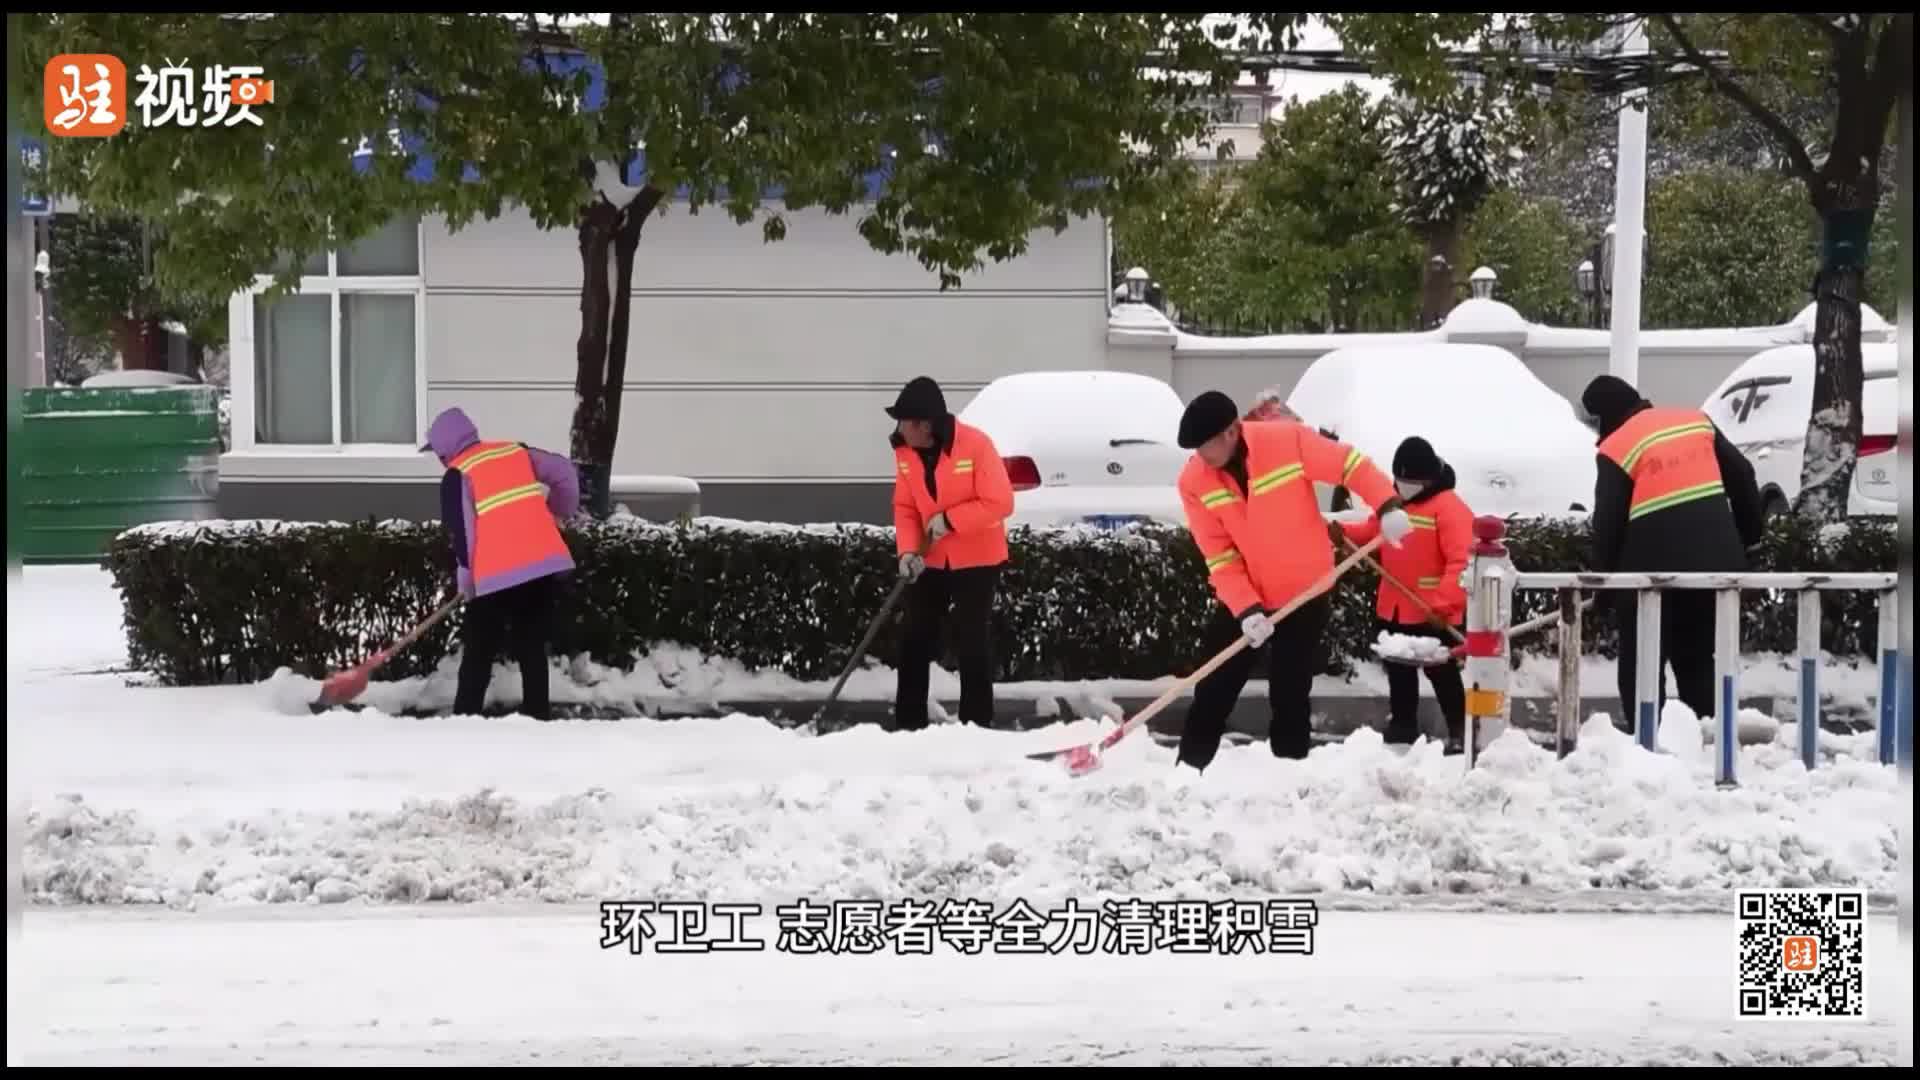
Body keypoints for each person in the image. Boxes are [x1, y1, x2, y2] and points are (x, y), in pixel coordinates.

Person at [1174, 390, 1414, 771]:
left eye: (1206, 447)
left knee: (1290, 690)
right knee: (1215, 685)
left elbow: (1349, 465)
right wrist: (1246, 609)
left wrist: (1387, 504)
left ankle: (1288, 774)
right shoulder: (1194, 481)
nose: (1201, 458)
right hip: (1249, 595)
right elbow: (1219, 556)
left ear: (1231, 432)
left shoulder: (1286, 441)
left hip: (1305, 590)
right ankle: (1189, 771)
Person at [1581, 374, 1764, 729]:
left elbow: (1608, 525)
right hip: (1714, 571)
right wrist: (1749, 543)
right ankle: (1707, 737)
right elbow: (1743, 475)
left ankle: (1646, 739)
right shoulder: (1696, 421)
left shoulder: (1618, 446)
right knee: (1696, 659)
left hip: (1652, 575)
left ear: (1603, 417)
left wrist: (1604, 588)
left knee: (1642, 664)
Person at [422, 406, 580, 721]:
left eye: (438, 454)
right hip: (541, 565)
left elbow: (464, 536)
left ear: (445, 451)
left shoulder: (456, 475)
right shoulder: (514, 451)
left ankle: (465, 718)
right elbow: (564, 472)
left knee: (478, 653)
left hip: (495, 575)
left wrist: (467, 585)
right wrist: (558, 512)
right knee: (532, 647)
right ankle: (538, 717)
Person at [886, 376, 1015, 731]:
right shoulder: (905, 452)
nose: (899, 429)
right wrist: (907, 552)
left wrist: (950, 519)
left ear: (925, 425)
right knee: (915, 638)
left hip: (977, 558)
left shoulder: (975, 445)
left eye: (904, 422)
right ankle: (909, 725)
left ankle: (977, 725)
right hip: (929, 558)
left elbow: (1000, 502)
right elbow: (905, 507)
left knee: (971, 640)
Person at [1337, 436, 1474, 754]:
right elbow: (1371, 531)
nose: (1403, 486)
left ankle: (1460, 729)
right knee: (1399, 671)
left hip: (1432, 612)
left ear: (1428, 478)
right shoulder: (1394, 504)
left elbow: (1462, 562)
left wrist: (1445, 604)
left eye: (1410, 482)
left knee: (1442, 673)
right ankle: (1403, 727)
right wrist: (1341, 533)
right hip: (1395, 607)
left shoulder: (1450, 508)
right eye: (1400, 480)